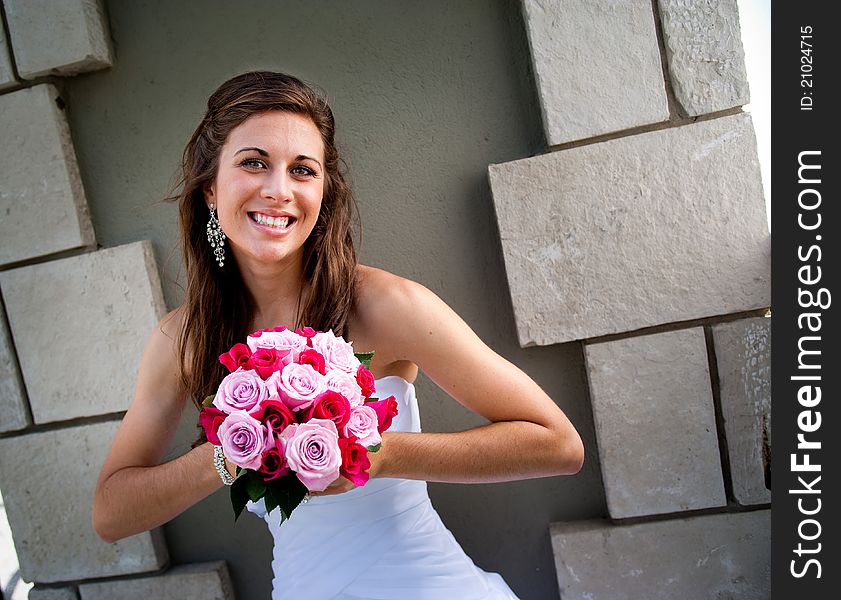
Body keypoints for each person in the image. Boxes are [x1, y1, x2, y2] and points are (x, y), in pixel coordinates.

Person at [92, 71, 584, 599]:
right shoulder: (183, 338)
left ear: (323, 192)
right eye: (254, 162)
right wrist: (226, 454)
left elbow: (558, 444)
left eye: (302, 170)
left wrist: (386, 455)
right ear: (211, 186)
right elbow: (111, 514)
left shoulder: (384, 306)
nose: (278, 190)